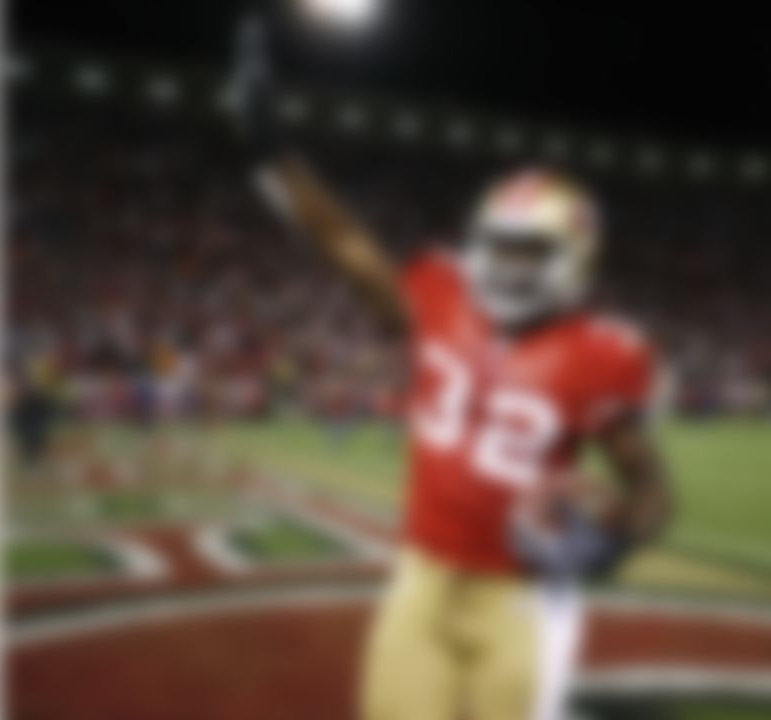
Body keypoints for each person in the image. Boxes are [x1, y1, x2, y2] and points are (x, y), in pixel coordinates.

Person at [228, 17, 674, 720]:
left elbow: (650, 487)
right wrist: (271, 150)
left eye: (527, 254)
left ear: (573, 261)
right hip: (422, 575)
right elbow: (343, 241)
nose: (504, 267)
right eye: (498, 248)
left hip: (520, 597)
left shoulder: (600, 354)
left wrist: (613, 543)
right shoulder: (439, 290)